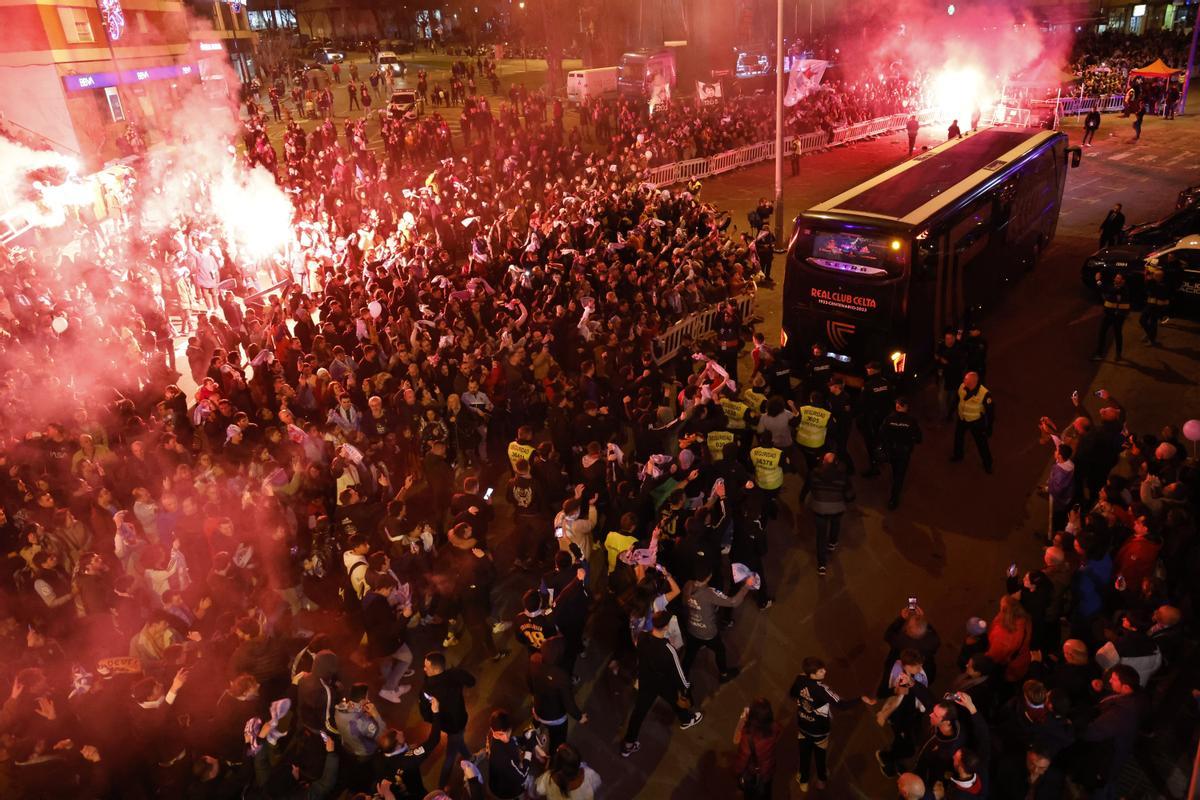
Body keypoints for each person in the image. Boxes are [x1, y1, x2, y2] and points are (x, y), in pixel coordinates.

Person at [621, 610, 703, 757]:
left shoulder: (642, 636)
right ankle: (687, 719)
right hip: (662, 681)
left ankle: (628, 744)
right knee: (673, 697)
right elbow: (679, 674)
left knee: (639, 713)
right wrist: (686, 688)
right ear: (666, 627)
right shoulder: (668, 649)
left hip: (646, 680)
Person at [790, 657, 874, 791]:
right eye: (820, 671)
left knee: (804, 754)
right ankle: (821, 780)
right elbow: (841, 705)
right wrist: (861, 699)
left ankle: (803, 781)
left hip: (803, 725)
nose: (825, 671)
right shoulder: (823, 689)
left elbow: (792, 693)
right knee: (820, 756)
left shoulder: (799, 679)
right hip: (819, 730)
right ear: (812, 674)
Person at [682, 565, 751, 681]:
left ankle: (683, 679)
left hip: (692, 629)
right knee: (720, 650)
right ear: (709, 577)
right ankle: (723, 674)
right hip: (708, 633)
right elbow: (733, 602)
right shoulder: (710, 593)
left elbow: (684, 604)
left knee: (689, 653)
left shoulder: (687, 585)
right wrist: (747, 586)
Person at [420, 651, 478, 787]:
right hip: (460, 719)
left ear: (434, 669)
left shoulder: (426, 689)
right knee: (457, 741)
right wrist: (458, 673)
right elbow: (471, 681)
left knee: (451, 755)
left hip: (449, 726)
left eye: (426, 667)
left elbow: (426, 716)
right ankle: (469, 757)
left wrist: (436, 718)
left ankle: (441, 786)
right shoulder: (454, 675)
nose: (423, 669)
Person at [806, 452, 853, 576]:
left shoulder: (814, 474)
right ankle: (832, 543)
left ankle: (822, 565)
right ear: (836, 463)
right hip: (837, 508)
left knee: (821, 537)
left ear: (823, 462)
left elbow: (811, 488)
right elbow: (849, 494)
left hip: (819, 508)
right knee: (835, 524)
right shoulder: (842, 476)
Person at [732, 698, 782, 799]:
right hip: (768, 768)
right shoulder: (775, 727)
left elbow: (740, 756)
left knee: (750, 794)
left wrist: (742, 720)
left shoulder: (748, 738)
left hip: (753, 772)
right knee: (767, 791)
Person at [878, 397, 922, 510]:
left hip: (891, 451)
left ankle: (895, 485)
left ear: (897, 406)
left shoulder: (888, 419)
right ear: (906, 407)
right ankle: (894, 498)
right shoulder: (912, 421)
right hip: (904, 452)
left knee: (894, 469)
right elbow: (919, 438)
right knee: (900, 475)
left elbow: (881, 434)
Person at [950, 371, 994, 474]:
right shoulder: (962, 386)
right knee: (958, 437)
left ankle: (988, 464)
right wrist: (951, 412)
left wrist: (989, 428)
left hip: (976, 422)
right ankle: (958, 455)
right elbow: (957, 399)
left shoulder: (985, 394)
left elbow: (990, 413)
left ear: (973, 382)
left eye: (966, 379)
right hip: (962, 419)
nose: (963, 380)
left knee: (982, 443)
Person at [1092, 271, 1130, 361]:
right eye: (1116, 277)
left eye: (1118, 278)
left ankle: (1118, 353)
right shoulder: (1114, 287)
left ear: (1123, 281)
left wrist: (1098, 281)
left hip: (1118, 315)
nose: (1115, 279)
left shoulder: (1123, 289)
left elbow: (1106, 289)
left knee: (1117, 334)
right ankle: (1099, 353)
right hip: (1109, 314)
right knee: (1102, 333)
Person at [1139, 265, 1171, 346]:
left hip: (1157, 307)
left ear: (1161, 277)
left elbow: (1155, 293)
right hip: (1150, 305)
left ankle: (1151, 339)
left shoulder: (1163, 285)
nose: (1154, 276)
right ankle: (1150, 335)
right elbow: (1146, 289)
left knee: (1152, 322)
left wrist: (1150, 282)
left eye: (1156, 276)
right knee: (1143, 320)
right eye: (1154, 275)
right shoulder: (1154, 282)